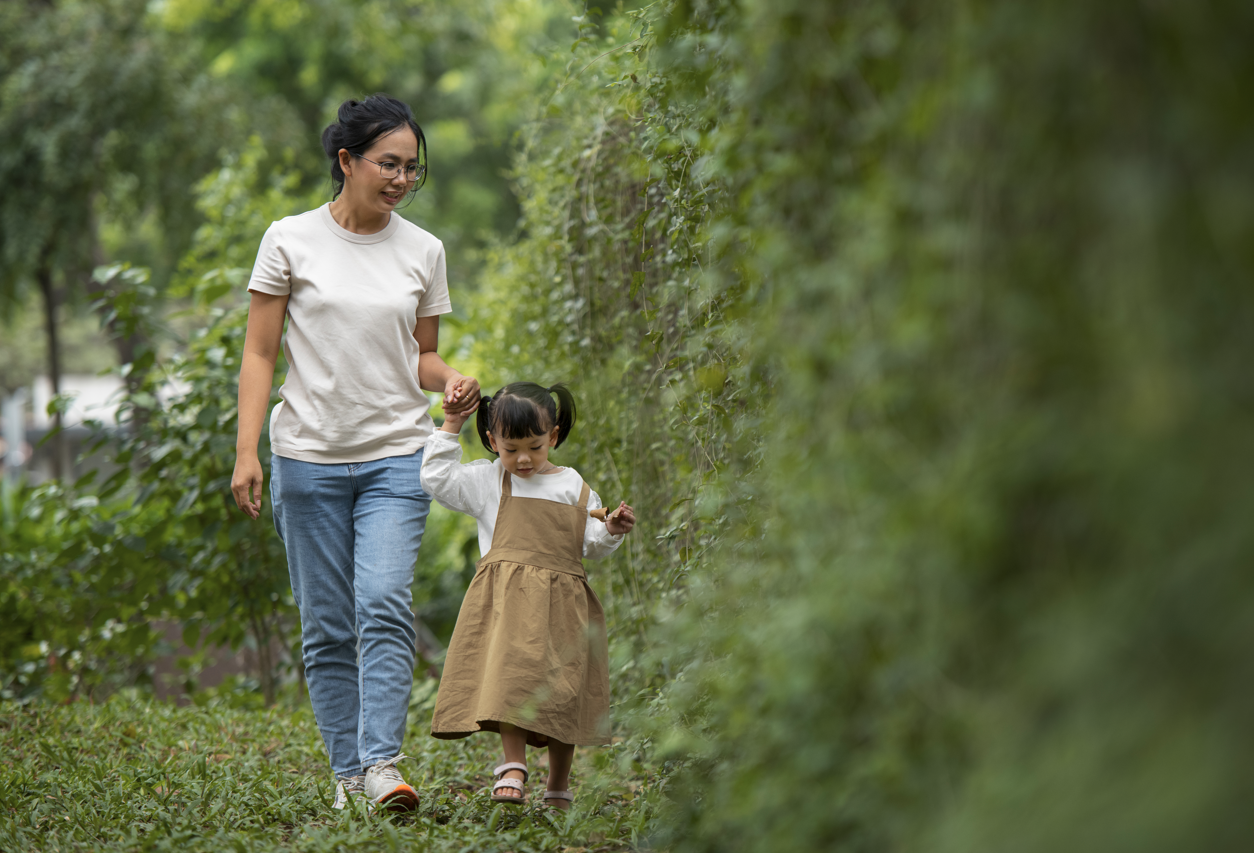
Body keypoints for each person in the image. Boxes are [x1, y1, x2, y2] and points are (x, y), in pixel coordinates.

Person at [230, 93, 480, 812]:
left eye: (412, 168)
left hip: (396, 456)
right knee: (329, 622)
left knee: (383, 601)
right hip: (305, 457)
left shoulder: (423, 249)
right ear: (347, 160)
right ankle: (347, 774)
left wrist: (452, 380)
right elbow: (258, 351)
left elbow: (423, 356)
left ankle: (382, 765)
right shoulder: (289, 239)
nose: (402, 180)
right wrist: (247, 451)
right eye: (389, 164)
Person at [419, 381, 636, 810]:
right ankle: (513, 766)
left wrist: (610, 529)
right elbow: (437, 478)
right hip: (507, 607)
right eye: (510, 448)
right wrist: (449, 426)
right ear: (491, 441)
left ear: (553, 437)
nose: (523, 459)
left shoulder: (573, 486)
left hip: (565, 607)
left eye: (535, 447)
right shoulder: (488, 481)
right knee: (509, 681)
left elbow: (589, 543)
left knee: (564, 691)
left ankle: (558, 785)